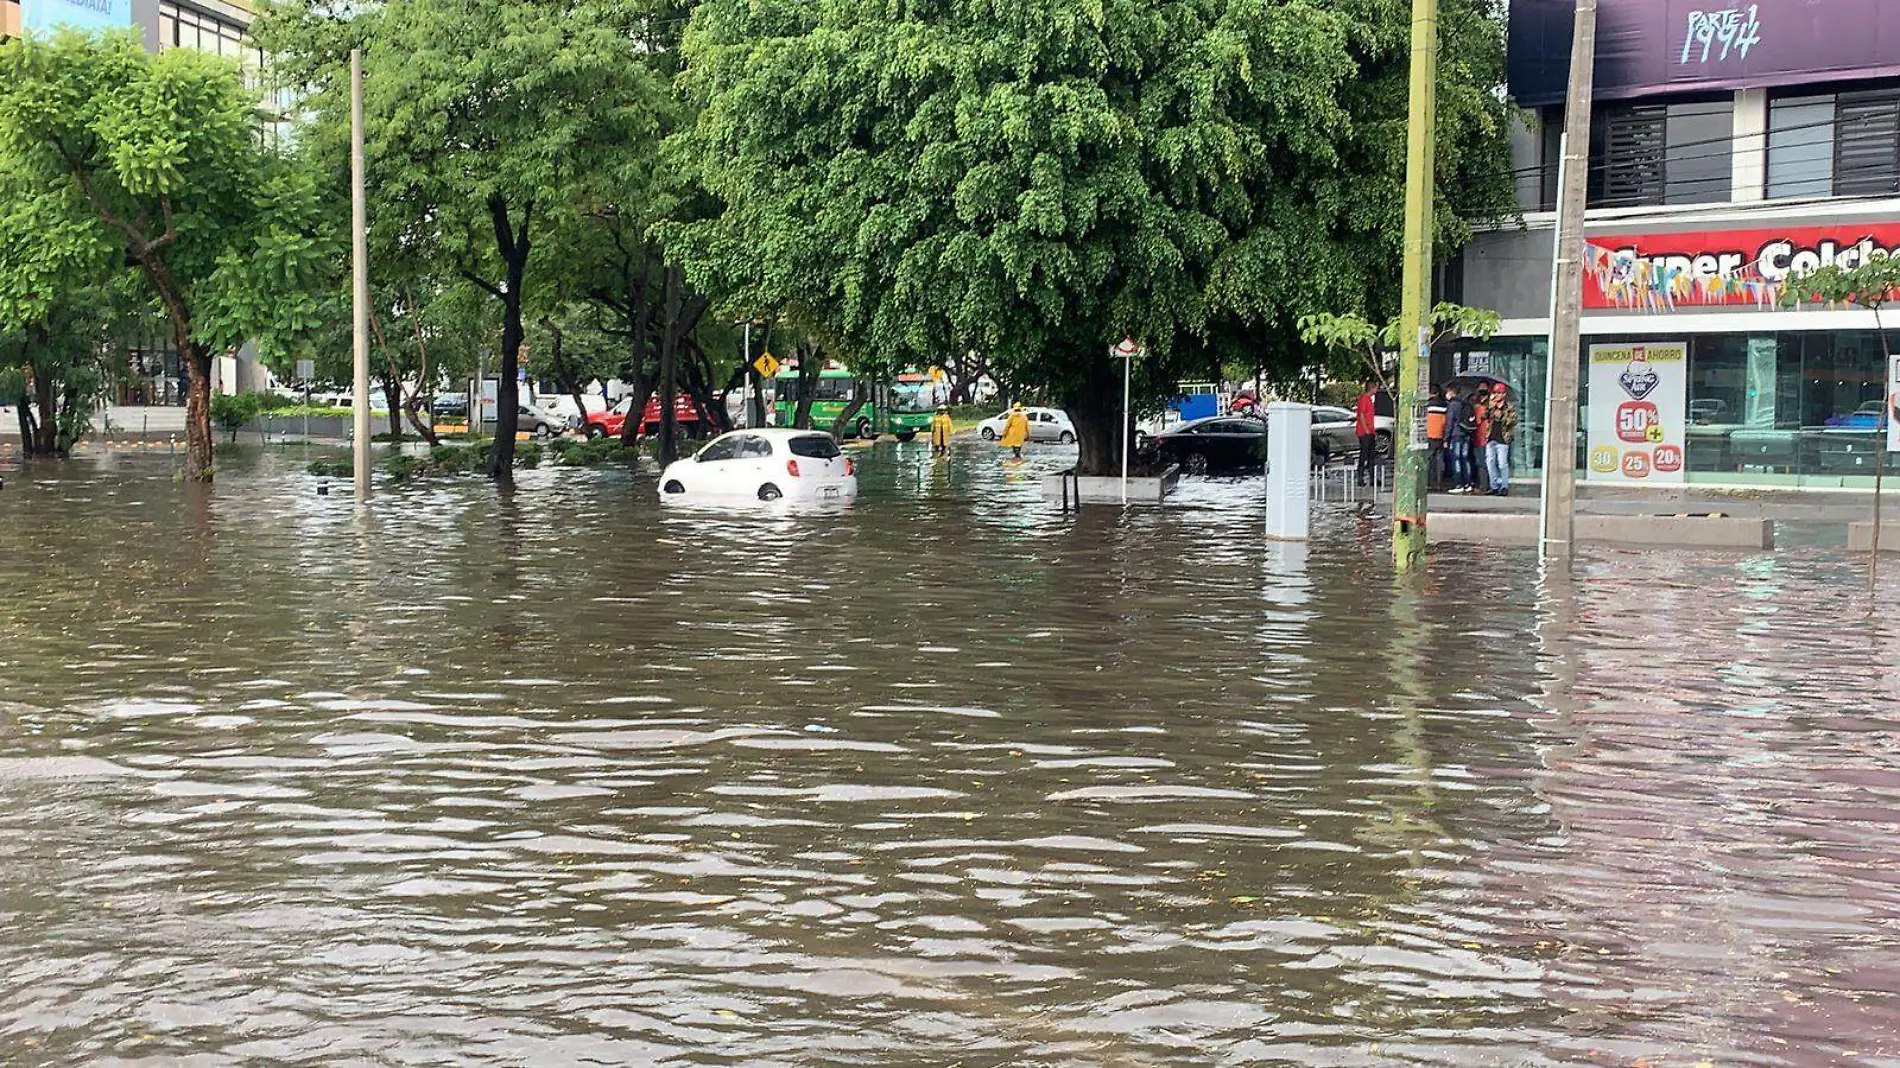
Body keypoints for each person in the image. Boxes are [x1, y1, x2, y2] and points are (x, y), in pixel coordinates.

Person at [1484, 382, 1518, 496]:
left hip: (1503, 439)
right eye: (1495, 393)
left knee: (1502, 464)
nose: (1496, 395)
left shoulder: (1509, 407)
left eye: (1498, 393)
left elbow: (1513, 421)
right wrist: (1490, 406)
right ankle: (1493, 486)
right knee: (1490, 462)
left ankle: (1504, 486)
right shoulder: (1491, 405)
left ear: (1503, 394)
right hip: (1491, 437)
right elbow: (1484, 416)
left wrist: (1501, 416)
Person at [1443, 384, 1473, 493]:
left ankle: (1458, 484)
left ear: (1451, 392)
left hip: (1456, 434)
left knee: (1456, 459)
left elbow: (1449, 422)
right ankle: (1468, 483)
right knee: (1465, 459)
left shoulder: (1453, 404)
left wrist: (1446, 439)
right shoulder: (1464, 403)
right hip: (1466, 433)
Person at [1354, 378, 1379, 487]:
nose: (1377, 389)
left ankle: (1372, 478)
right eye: (1376, 387)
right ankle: (1360, 477)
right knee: (1364, 454)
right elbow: (1362, 415)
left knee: (1371, 455)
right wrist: (1367, 430)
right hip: (1364, 432)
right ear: (1372, 388)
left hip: (1369, 431)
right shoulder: (1364, 399)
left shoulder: (1369, 399)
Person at [1425, 384, 1447, 491]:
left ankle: (1429, 482)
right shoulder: (1445, 405)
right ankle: (1439, 483)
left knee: (1428, 460)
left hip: (1429, 435)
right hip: (1441, 436)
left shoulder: (1427, 405)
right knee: (1440, 461)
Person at [1469, 385, 1490, 493]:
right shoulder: (1489, 406)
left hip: (1480, 437)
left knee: (1481, 462)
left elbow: (1476, 422)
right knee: (1485, 462)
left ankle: (1483, 485)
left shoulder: (1479, 408)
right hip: (1485, 437)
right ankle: (1485, 484)